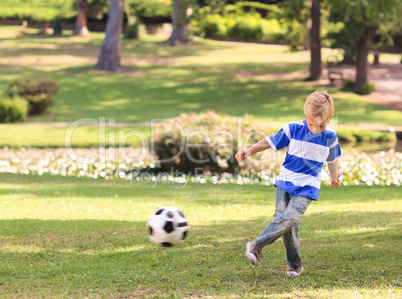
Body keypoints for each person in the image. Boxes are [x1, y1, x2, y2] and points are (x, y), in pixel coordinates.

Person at [235, 91, 344, 277]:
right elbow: (270, 141)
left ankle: (256, 245)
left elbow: (332, 160)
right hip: (285, 183)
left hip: (307, 187)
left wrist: (334, 177)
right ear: (306, 115)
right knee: (287, 226)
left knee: (290, 218)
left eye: (322, 124)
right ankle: (295, 265)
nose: (316, 129)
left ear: (330, 118)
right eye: (312, 124)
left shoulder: (330, 137)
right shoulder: (293, 129)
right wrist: (250, 150)